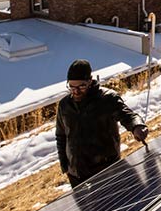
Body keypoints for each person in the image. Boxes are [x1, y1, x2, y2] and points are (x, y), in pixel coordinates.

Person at [56, 59, 148, 188]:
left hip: (107, 172)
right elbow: (61, 136)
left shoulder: (107, 98)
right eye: (71, 87)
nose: (76, 91)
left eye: (81, 86)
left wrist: (137, 126)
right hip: (76, 175)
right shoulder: (64, 105)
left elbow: (127, 115)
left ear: (90, 81)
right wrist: (65, 166)